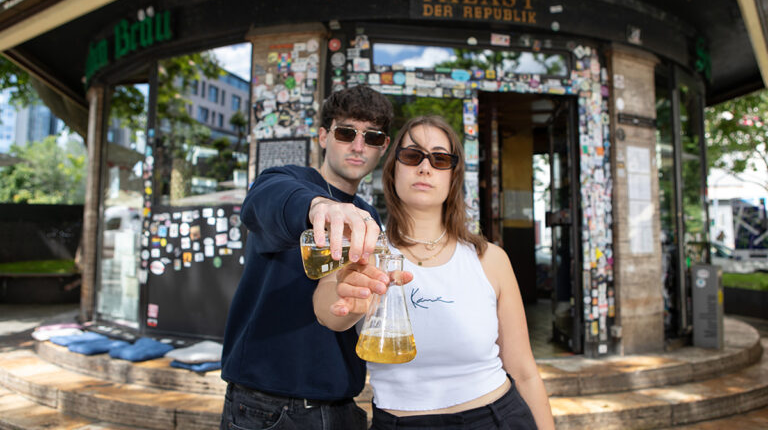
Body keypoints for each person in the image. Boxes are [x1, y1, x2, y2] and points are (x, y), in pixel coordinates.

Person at [315, 115, 555, 430]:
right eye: (412, 155)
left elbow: (524, 371)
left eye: (440, 158)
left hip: (498, 418)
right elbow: (328, 312)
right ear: (393, 169)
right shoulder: (363, 251)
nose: (425, 167)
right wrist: (349, 297)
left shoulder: (490, 259)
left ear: (453, 177)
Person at [220, 85, 407, 430]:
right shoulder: (285, 181)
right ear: (323, 136)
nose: (358, 145)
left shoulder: (368, 217)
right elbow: (264, 201)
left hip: (340, 402)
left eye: (372, 137)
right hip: (268, 404)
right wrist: (320, 207)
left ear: (383, 147)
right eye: (347, 132)